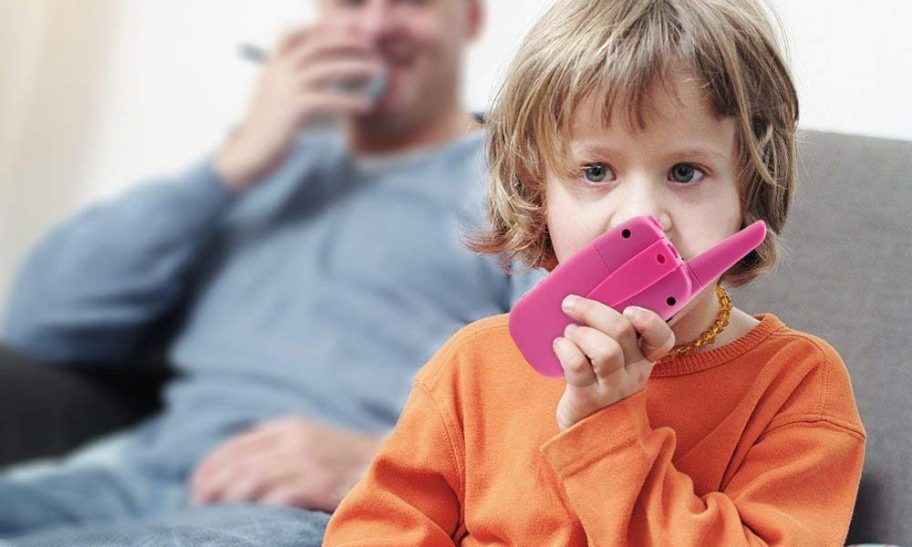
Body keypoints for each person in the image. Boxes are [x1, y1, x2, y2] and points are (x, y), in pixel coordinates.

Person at [323, 0, 867, 545]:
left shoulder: (798, 384)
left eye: (685, 172)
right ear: (538, 193)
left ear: (750, 194)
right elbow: (373, 529)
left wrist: (606, 428)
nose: (637, 216)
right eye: (596, 171)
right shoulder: (471, 369)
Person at [0, 0, 539, 545]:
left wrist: (390, 463)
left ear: (468, 19)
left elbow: (569, 389)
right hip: (132, 478)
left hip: (308, 507)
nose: (376, 25)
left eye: (411, 3)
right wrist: (234, 163)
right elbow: (40, 324)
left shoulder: (515, 181)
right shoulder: (262, 165)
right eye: (351, 3)